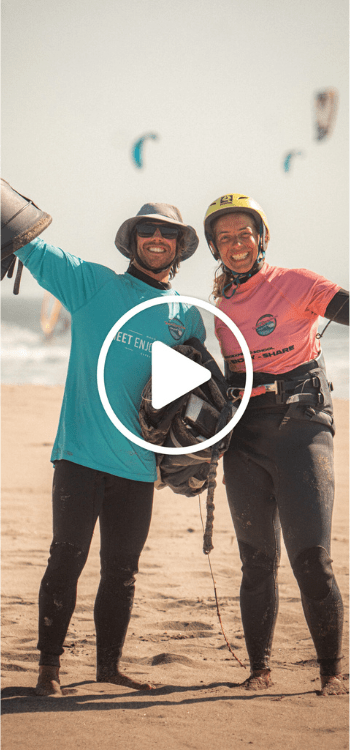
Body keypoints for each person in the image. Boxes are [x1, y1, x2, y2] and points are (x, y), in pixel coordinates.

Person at [13, 201, 205, 696]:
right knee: (66, 559)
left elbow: (194, 403)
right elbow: (27, 241)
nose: (157, 238)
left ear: (180, 245)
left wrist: (191, 461)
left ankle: (108, 667)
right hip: (79, 457)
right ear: (133, 238)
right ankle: (49, 668)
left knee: (122, 571)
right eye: (148, 230)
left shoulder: (187, 317)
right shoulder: (92, 285)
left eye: (168, 232)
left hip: (138, 468)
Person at [203, 193, 349, 696]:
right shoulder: (220, 306)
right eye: (225, 238)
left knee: (311, 557)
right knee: (256, 560)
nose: (236, 244)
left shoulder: (295, 283)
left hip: (300, 428)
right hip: (246, 439)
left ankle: (331, 673)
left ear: (261, 238)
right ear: (215, 249)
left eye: (244, 233)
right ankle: (259, 669)